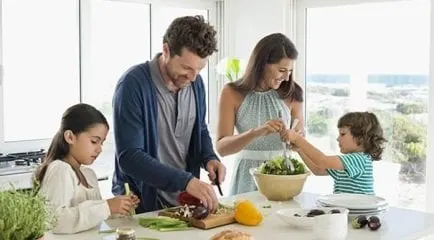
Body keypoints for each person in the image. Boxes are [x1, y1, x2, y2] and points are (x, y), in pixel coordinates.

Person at [112, 15, 225, 213]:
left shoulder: (196, 83)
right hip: (141, 205)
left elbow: (199, 129)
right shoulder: (133, 85)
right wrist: (186, 181)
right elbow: (129, 157)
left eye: (199, 69)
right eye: (186, 67)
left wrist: (209, 157)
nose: (192, 76)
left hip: (184, 204)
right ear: (166, 50)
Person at [216, 33, 304, 195]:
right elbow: (222, 148)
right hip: (246, 177)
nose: (286, 77)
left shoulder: (293, 93)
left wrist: (294, 139)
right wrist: (256, 132)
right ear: (262, 64)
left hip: (282, 176)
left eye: (290, 71)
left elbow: (301, 143)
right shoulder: (231, 92)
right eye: (282, 70)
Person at [35, 103, 140, 234]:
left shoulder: (89, 174)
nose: (100, 149)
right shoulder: (60, 169)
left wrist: (120, 207)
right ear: (70, 137)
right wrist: (107, 207)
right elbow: (54, 221)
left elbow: (92, 220)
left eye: (102, 142)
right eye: (94, 141)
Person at [282, 111, 387, 195]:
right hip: (348, 212)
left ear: (361, 137)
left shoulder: (359, 159)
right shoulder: (346, 164)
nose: (337, 138)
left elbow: (322, 161)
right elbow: (318, 170)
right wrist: (300, 149)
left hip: (361, 215)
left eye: (342, 134)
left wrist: (298, 139)